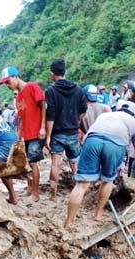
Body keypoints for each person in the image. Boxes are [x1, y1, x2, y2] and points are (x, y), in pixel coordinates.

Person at [64, 108, 135, 227]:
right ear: (133, 117)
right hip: (115, 143)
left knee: (81, 185)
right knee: (108, 180)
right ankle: (98, 215)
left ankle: (69, 223)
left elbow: (87, 136)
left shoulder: (105, 116)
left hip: (92, 139)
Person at [0, 66, 47, 202]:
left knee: (33, 162)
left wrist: (43, 127)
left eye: (8, 82)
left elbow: (43, 105)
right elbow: (20, 118)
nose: (8, 85)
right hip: (26, 133)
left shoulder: (32, 87)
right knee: (26, 164)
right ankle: (30, 189)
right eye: (6, 84)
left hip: (36, 132)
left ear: (16, 77)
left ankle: (36, 194)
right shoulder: (18, 96)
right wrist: (18, 136)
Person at [45, 59, 88, 200]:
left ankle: (53, 194)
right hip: (73, 133)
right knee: (74, 163)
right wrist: (76, 120)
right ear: (65, 72)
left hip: (57, 133)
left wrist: (48, 136)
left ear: (53, 74)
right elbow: (83, 110)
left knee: (55, 165)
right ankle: (79, 192)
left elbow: (50, 115)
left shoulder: (51, 91)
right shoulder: (78, 89)